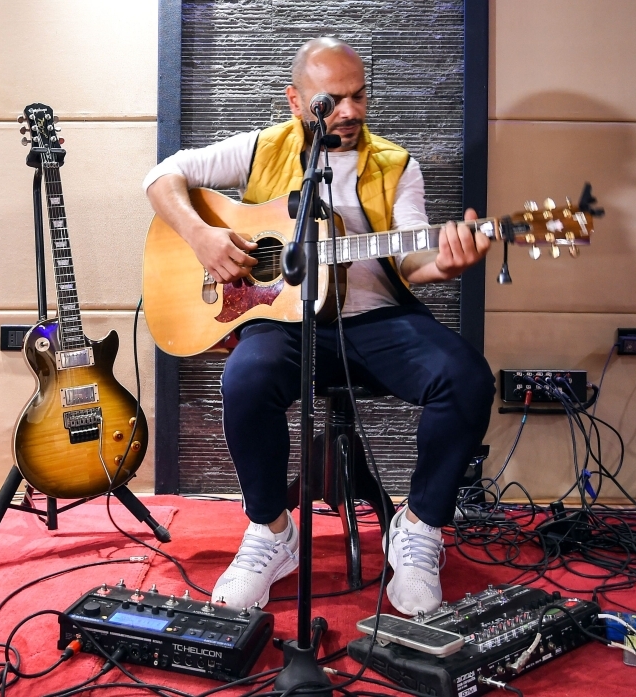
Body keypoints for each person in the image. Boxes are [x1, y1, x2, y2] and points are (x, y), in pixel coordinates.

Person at [143, 37, 495, 616]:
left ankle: (420, 527)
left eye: (359, 96)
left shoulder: (396, 165)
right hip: (284, 322)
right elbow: (162, 178)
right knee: (244, 379)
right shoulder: (263, 150)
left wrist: (444, 261)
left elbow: (410, 259)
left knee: (465, 377)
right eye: (333, 100)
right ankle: (272, 532)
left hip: (379, 321)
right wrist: (203, 236)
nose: (351, 112)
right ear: (295, 100)